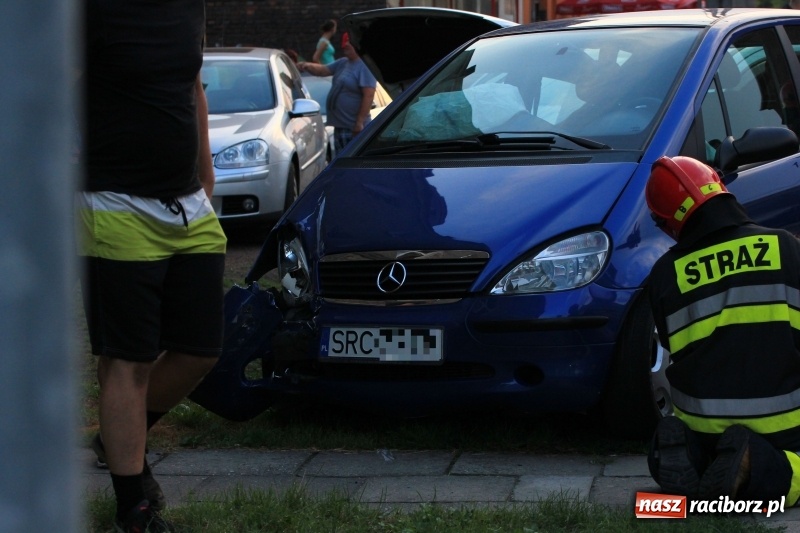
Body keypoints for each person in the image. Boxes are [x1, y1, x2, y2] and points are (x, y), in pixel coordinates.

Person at [78, 1, 227, 531]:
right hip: (113, 201)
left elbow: (192, 86)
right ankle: (132, 506)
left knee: (199, 349)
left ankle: (118, 440)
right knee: (127, 360)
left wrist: (206, 175)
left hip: (187, 202)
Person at [644, 156, 800, 506]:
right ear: (721, 190)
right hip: (782, 425)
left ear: (667, 222)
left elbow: (671, 343)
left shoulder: (665, 274)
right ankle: (754, 463)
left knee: (692, 438)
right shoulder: (784, 246)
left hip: (703, 425)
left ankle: (693, 455)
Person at [297, 32, 377, 152]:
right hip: (340, 127)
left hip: (354, 128)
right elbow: (323, 70)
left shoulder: (365, 66)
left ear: (357, 45)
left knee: (352, 163)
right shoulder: (343, 63)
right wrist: (306, 65)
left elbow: (369, 95)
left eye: (348, 43)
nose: (344, 46)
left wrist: (359, 122)